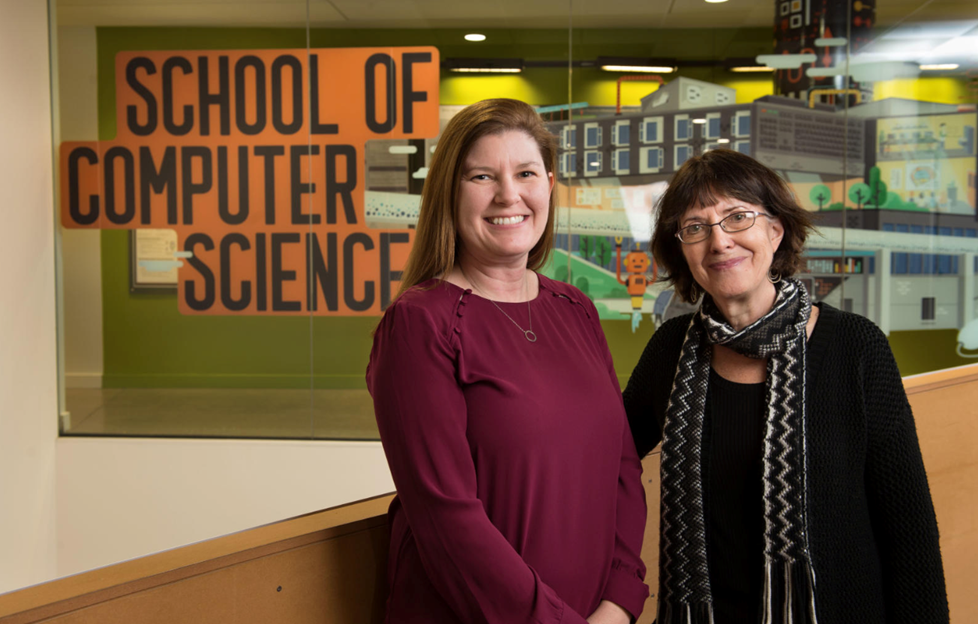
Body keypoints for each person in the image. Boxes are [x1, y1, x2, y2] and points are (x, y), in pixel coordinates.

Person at [623, 149, 949, 624]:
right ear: (683, 250)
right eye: (696, 227)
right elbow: (601, 459)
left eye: (738, 217)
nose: (719, 242)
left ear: (775, 231)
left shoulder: (855, 347)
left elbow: (910, 529)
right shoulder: (671, 350)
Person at [367, 98, 649, 624]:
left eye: (525, 173)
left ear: (548, 185)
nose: (508, 194)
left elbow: (622, 471)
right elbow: (445, 517)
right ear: (449, 193)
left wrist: (618, 602)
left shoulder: (575, 309)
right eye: (482, 176)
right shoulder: (419, 323)